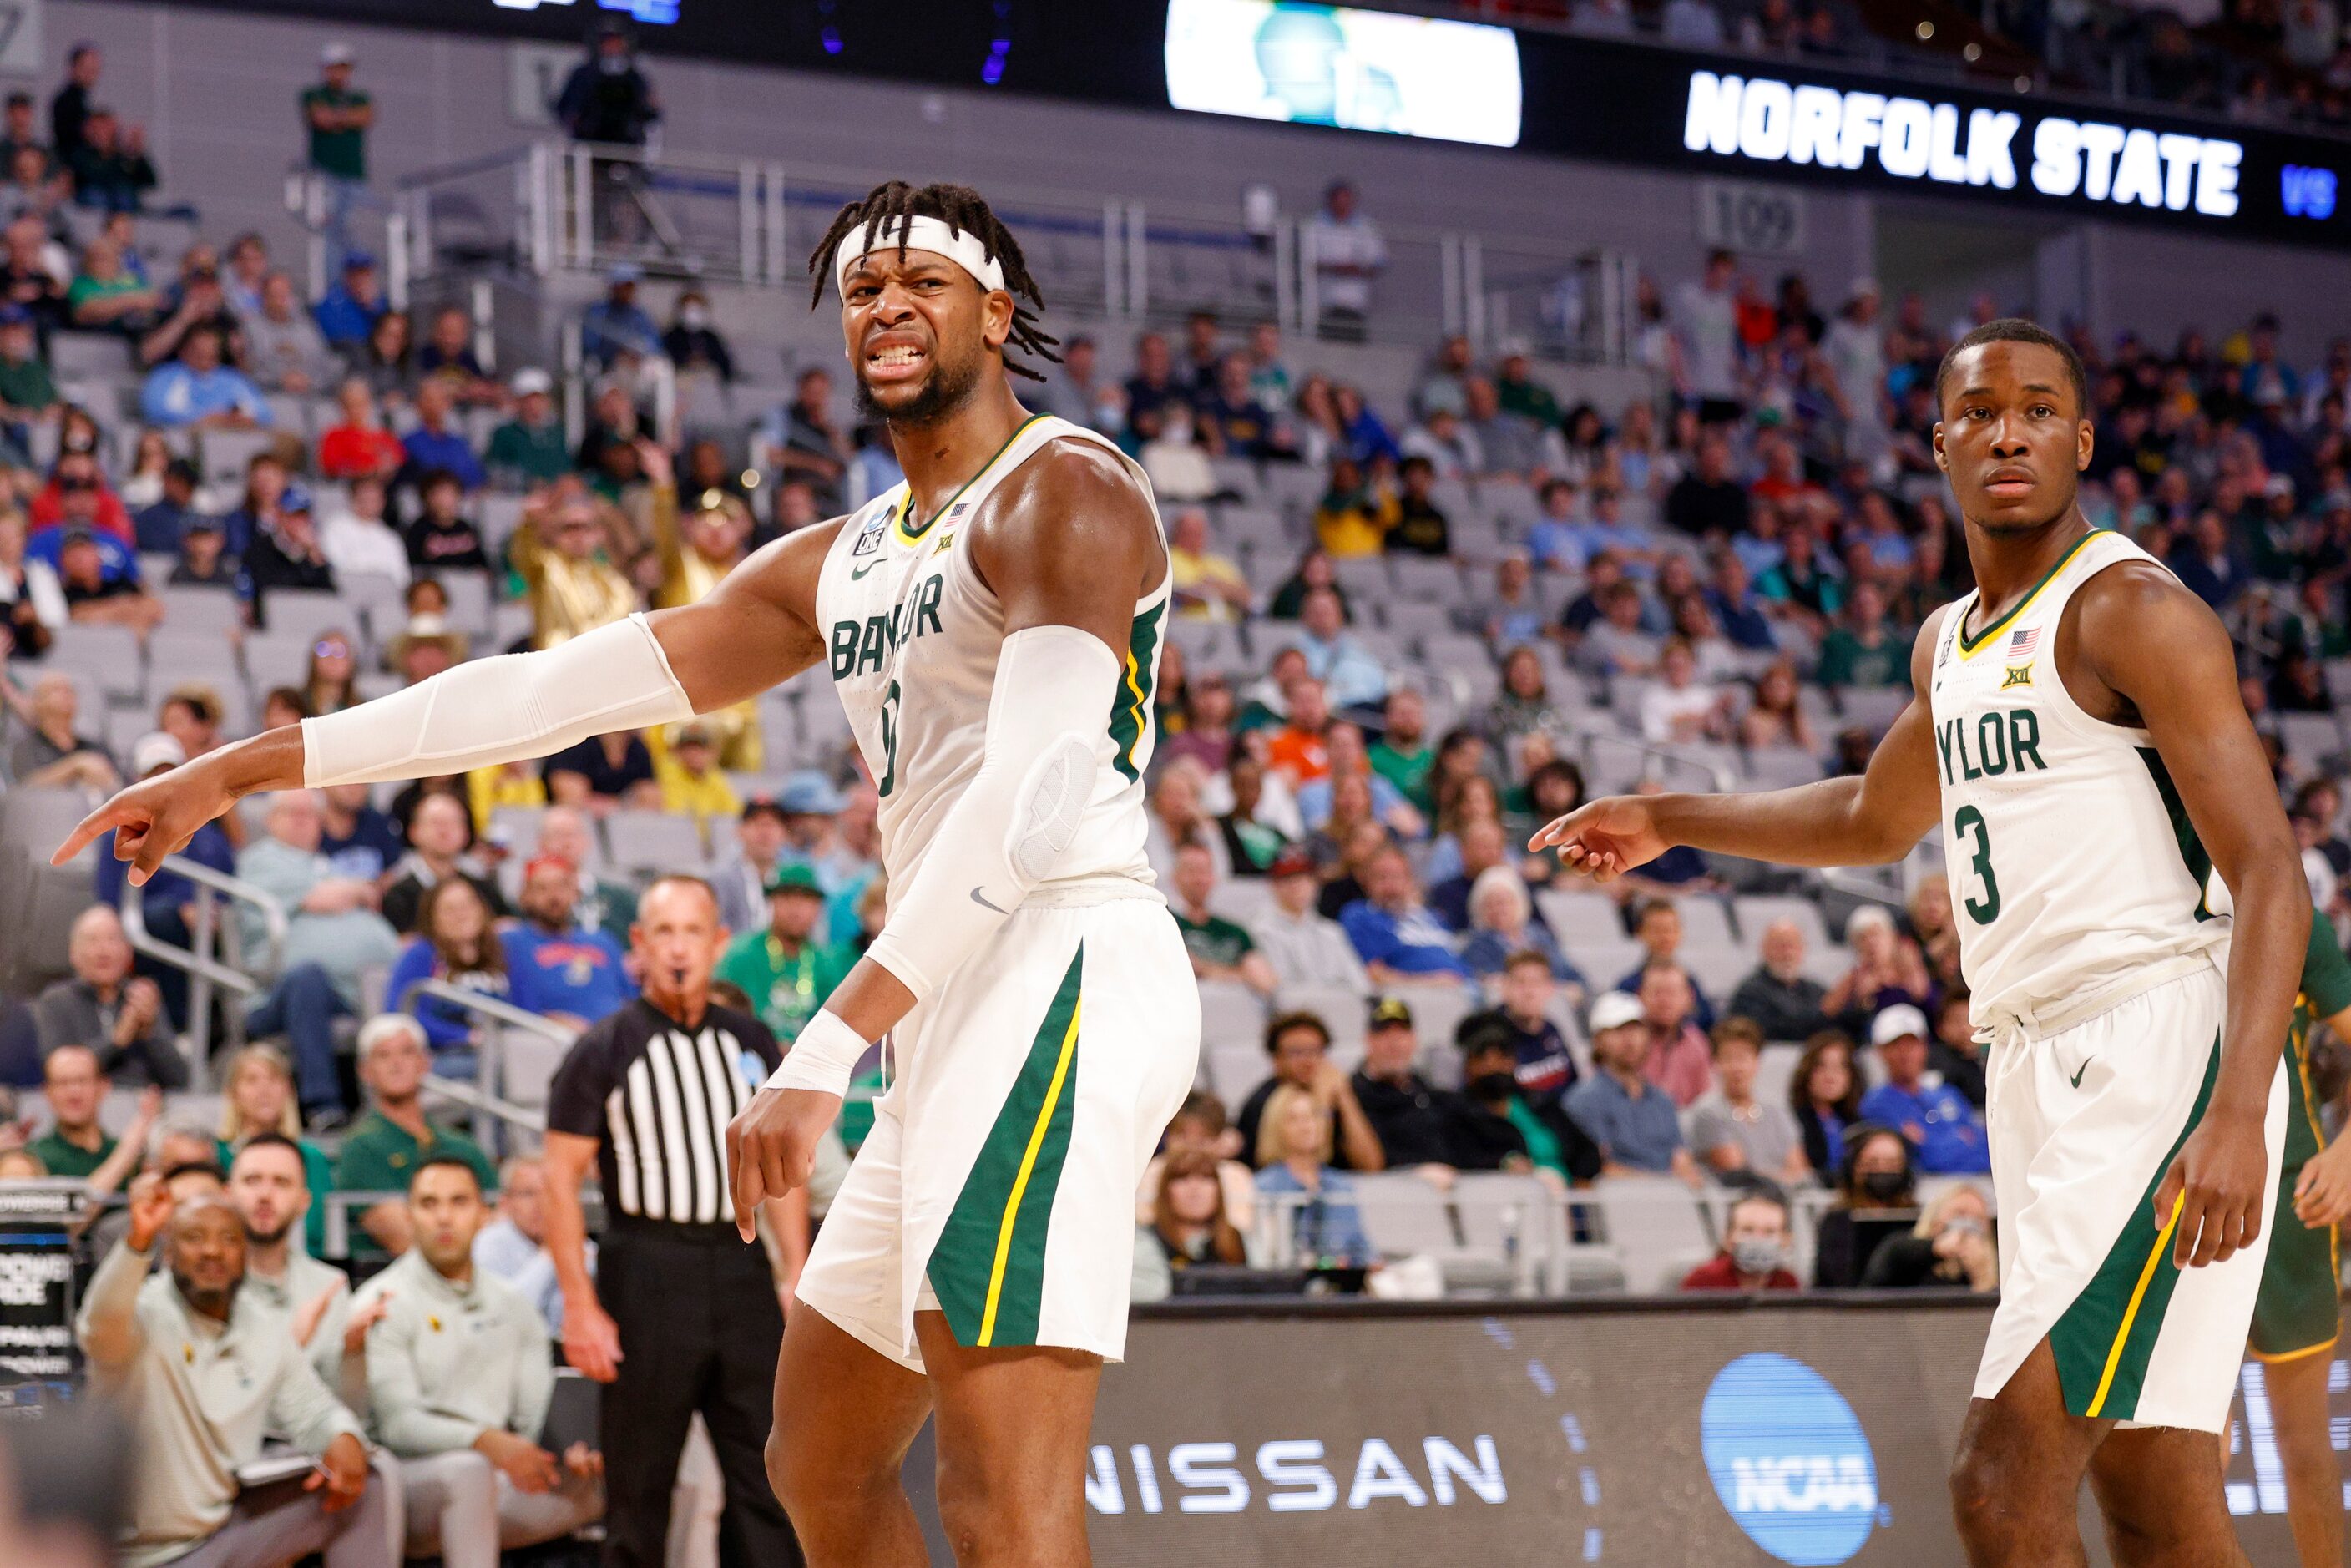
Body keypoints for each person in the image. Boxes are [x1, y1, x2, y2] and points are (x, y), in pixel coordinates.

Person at [58, 178, 1201, 1568]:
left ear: (994, 309)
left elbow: (1029, 808)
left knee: (1000, 1489)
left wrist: (832, 1035)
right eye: (861, 288)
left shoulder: (1065, 490)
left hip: (1061, 962)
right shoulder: (840, 559)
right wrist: (242, 765)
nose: (887, 304)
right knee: (821, 1457)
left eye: (922, 280)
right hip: (948, 993)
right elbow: (544, 694)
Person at [1530, 321, 2305, 1561]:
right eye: (1984, 410)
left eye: (2041, 409)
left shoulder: (2134, 609)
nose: (2011, 429)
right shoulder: (1949, 641)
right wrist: (1666, 816)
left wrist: (2237, 1108)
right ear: (1939, 442)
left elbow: (2274, 873)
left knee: (2000, 1484)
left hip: (2163, 1047)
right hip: (2034, 1057)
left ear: (2082, 440)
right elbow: (1868, 816)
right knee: (2158, 1495)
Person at [543, 877, 804, 1568]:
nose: (680, 949)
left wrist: (795, 1274)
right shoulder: (604, 1048)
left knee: (768, 1476)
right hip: (646, 1269)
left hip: (742, 1265)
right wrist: (580, 1306)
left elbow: (781, 1173)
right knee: (639, 1483)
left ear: (720, 942)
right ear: (640, 945)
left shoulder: (751, 1042)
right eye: (664, 932)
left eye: (694, 932)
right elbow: (558, 1183)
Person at [74, 1177, 389, 1568]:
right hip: (136, 1555)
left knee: (371, 1484)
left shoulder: (265, 1325)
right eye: (194, 1237)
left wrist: (341, 1436)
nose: (212, 1251)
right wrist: (137, 1242)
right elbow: (99, 1325)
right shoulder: (142, 1315)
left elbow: (311, 1408)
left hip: (220, 1532)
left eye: (228, 1239)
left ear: (245, 1253)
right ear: (168, 1251)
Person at [356, 1156, 605, 1567]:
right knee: (468, 1470)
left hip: (505, 1477)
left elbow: (535, 1418)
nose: (444, 1218)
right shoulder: (382, 1303)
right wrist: (488, 1441)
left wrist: (574, 1448)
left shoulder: (514, 1306)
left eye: (458, 1202)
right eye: (429, 1203)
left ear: (484, 1215)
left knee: (646, 1467)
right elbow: (397, 1426)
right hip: (407, 1484)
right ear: (409, 1215)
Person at [332, 1014, 498, 1256]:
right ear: (365, 1071)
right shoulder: (360, 1148)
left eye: (407, 1052)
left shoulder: (462, 1146)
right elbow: (402, 1238)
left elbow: (498, 1222)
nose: (396, 1063)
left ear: (425, 1063)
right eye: (383, 1055)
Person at [227, 1134, 370, 1409]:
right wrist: (290, 1347)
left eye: (281, 1183)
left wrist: (355, 1356)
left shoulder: (329, 1287)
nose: (265, 1195)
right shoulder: (200, 1287)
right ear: (227, 1193)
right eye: (252, 1181)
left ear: (304, 1201)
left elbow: (349, 1406)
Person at [33, 905, 186, 1087]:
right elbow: (54, 1075)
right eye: (92, 941)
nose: (103, 951)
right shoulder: (55, 1001)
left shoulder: (141, 998)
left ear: (128, 952)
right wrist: (117, 1040)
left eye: (112, 940)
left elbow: (181, 1080)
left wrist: (150, 1033)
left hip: (141, 1105)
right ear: (74, 953)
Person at [1447, 1017, 1604, 1186]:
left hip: (1566, 1197)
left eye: (1503, 1056)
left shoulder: (1540, 1103)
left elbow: (1586, 1152)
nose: (1494, 1065)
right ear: (1468, 1065)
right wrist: (1503, 1164)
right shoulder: (1455, 1114)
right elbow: (1461, 1159)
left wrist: (1582, 1180)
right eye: (1483, 1058)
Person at [215, 1043, 336, 1261]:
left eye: (274, 1079)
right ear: (232, 1093)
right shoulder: (215, 1155)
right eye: (252, 1080)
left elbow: (317, 1232)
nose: (265, 1090)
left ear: (288, 1090)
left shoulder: (312, 1159)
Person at [1563, 994, 1699, 1181]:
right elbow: (1598, 1168)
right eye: (1619, 1030)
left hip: (1670, 1198)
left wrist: (1683, 1172)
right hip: (1620, 1201)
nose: (1630, 1039)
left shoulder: (1662, 1100)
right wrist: (1660, 1184)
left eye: (1636, 1029)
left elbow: (1680, 1156)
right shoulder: (1583, 1101)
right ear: (1598, 1040)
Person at [716, 862, 855, 1044]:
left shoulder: (827, 963)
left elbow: (837, 1030)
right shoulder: (740, 955)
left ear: (818, 907)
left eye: (806, 899)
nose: (795, 908)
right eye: (787, 897)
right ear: (771, 902)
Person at [1232, 1009, 1384, 1174]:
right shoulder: (1263, 1103)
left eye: (1315, 1051)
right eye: (1296, 1052)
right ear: (1276, 1059)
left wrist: (1344, 1097)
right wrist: (1323, 1107)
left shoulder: (1338, 1093)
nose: (1308, 1061)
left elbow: (1371, 1166)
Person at [386, 875, 509, 1060]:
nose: (461, 914)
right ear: (432, 918)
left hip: (504, 1050)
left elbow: (525, 1005)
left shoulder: (504, 950)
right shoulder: (421, 954)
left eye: (468, 905)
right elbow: (400, 1011)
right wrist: (463, 1036)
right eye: (449, 909)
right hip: (446, 1053)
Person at [503, 855, 634, 1028]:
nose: (554, 896)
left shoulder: (604, 940)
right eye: (542, 888)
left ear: (576, 892)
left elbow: (631, 999)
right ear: (525, 896)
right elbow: (511, 1010)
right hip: (546, 1041)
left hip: (615, 1039)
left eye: (562, 886)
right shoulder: (512, 943)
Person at [1858, 1004, 1990, 1175]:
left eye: (1913, 1043)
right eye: (1896, 1045)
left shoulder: (1948, 1094)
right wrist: (1960, 1140)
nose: (1906, 1053)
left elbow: (1985, 1151)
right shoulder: (1876, 1104)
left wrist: (1926, 1142)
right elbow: (1918, 1161)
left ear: (1925, 1047)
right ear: (1880, 1051)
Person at [1252, 1084, 1373, 1266]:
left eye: (1313, 1116)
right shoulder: (1262, 1187)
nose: (1307, 1126)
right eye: (1294, 1119)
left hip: (1339, 1286)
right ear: (1276, 1127)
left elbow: (1361, 1249)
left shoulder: (1342, 1186)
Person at [1686, 1016, 1811, 1186]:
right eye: (1728, 1058)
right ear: (1715, 1063)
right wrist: (1785, 1178)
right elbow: (1739, 1175)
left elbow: (1798, 1168)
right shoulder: (1708, 1111)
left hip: (1783, 1200)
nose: (1737, 1067)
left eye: (1743, 1057)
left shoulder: (1776, 1108)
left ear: (1757, 1061)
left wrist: (1788, 1180)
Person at [1347, 996, 1454, 1172]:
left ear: (1414, 1040)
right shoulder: (1352, 1094)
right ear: (1368, 1041)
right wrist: (1412, 1174)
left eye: (1401, 1033)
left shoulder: (1425, 1092)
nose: (1394, 1043)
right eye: (1384, 1033)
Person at [1339, 843, 1472, 987]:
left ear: (1409, 881)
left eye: (1396, 877)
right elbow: (1374, 975)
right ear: (1367, 884)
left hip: (1466, 990)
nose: (1390, 886)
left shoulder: (1432, 917)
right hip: (1418, 996)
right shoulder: (1361, 915)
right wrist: (1433, 983)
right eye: (1381, 878)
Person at [1459, 950, 1582, 1105]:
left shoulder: (1551, 1029)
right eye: (1520, 983)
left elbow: (1574, 1085)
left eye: (1537, 983)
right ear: (1505, 988)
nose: (1529, 992)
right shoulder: (1488, 1036)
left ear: (1550, 989)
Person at [382, 792, 508, 935]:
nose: (444, 831)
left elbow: (509, 923)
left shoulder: (482, 887)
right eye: (436, 823)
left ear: (466, 833)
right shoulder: (399, 896)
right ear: (413, 832)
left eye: (452, 823)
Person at [1248, 846, 1370, 991]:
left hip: (1339, 1007)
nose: (1297, 887)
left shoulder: (1331, 932)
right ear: (1273, 885)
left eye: (1304, 879)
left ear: (1315, 883)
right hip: (1293, 1011)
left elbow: (1361, 984)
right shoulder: (1261, 931)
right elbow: (1279, 989)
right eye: (1287, 880)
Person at [1169, 842, 1277, 999]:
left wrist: (1206, 970)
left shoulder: (1235, 931)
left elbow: (1265, 981)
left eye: (1205, 871)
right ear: (1175, 877)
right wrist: (1241, 974)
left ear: (1214, 877)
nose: (1199, 879)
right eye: (1191, 871)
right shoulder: (1167, 924)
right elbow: (1183, 969)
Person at [301, 44, 373, 274]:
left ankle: (356, 280)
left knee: (353, 231)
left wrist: (336, 118)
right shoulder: (314, 94)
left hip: (353, 177)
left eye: (344, 68)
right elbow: (319, 117)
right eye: (335, 68)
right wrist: (346, 118)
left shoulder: (359, 97)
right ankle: (331, 284)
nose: (340, 74)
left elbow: (366, 116)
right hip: (325, 177)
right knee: (329, 232)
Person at [1727, 918, 1833, 1041]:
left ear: (1803, 950)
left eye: (1793, 946)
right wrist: (1824, 1013)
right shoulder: (1750, 992)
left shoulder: (1816, 990)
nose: (1788, 954)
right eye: (1781, 946)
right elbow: (1771, 1031)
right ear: (1764, 950)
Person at [1145, 1148, 1250, 1272]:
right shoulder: (1147, 1241)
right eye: (1182, 1177)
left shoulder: (1235, 1240)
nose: (1194, 1189)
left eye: (1206, 1178)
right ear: (1165, 1190)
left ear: (1219, 1190)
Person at [1306, 180, 1384, 341]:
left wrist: (1342, 267)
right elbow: (1310, 262)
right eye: (1338, 200)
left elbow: (1377, 263)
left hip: (1356, 303)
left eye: (1346, 200)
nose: (1342, 204)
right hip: (1326, 302)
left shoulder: (1366, 226)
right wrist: (1344, 267)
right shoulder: (1315, 224)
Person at [26, 1043, 118, 1178]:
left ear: (103, 1087)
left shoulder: (132, 1160)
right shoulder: (33, 1159)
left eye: (82, 1081)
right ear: (47, 1092)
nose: (74, 1093)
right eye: (62, 1082)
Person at [1679, 1189, 1802, 1290]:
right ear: (1728, 1238)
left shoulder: (1788, 1283)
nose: (1758, 1239)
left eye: (1770, 1231)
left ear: (1786, 1240)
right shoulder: (1703, 1281)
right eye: (1747, 1230)